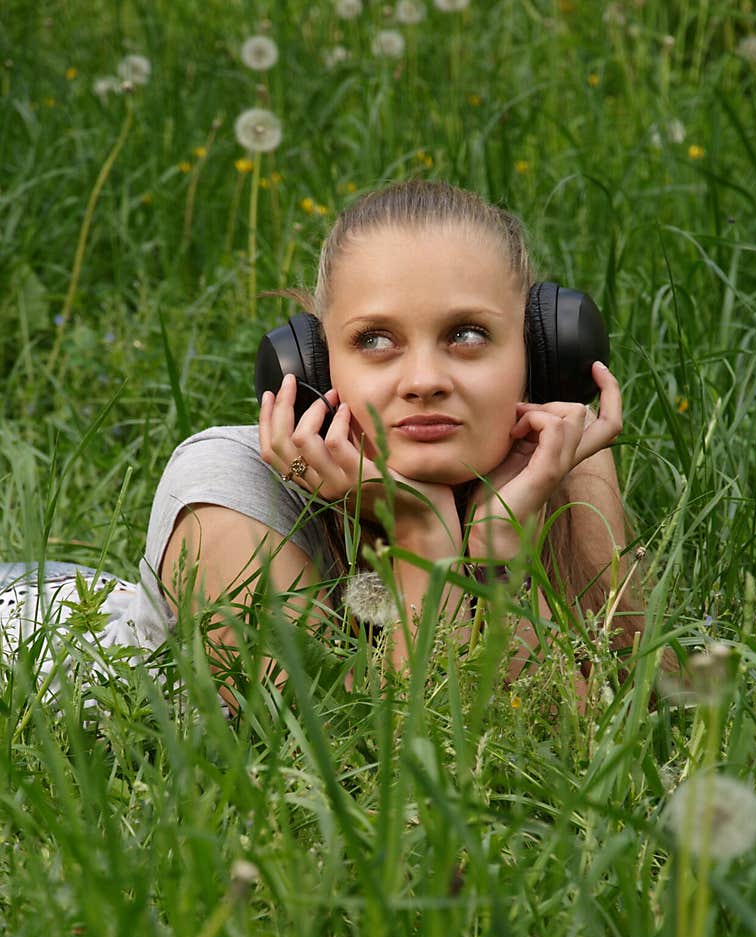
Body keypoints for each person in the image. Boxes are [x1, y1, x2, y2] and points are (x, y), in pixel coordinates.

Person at [1, 180, 641, 711]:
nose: (424, 381)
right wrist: (425, 539)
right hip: (36, 628)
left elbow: (599, 720)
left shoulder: (558, 458)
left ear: (543, 355)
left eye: (467, 335)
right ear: (312, 365)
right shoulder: (228, 493)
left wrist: (501, 548)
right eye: (375, 340)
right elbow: (357, 767)